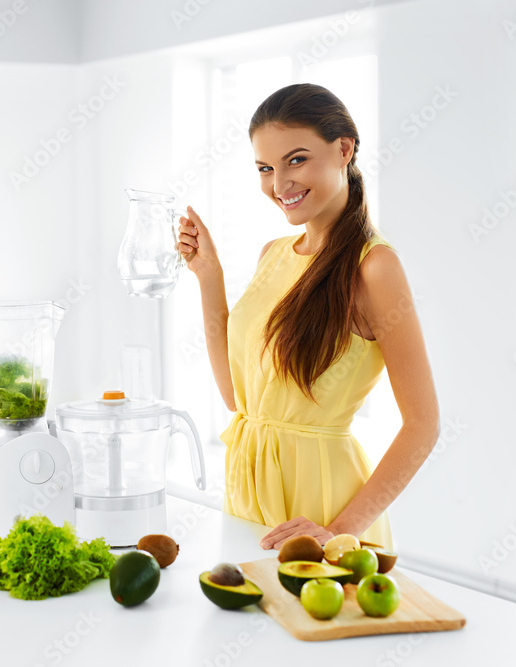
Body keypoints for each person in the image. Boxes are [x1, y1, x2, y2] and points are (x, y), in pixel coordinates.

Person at [177, 83, 440, 552]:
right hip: (245, 498)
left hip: (322, 513)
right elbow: (240, 400)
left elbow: (423, 425)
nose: (279, 185)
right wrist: (208, 277)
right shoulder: (272, 255)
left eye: (296, 160)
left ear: (344, 150)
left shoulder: (374, 267)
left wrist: (339, 529)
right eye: (265, 168)